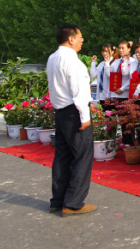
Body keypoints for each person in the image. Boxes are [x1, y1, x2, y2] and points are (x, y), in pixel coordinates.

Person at [46, 24, 97, 216]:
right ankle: (74, 202)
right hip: (74, 113)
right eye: (80, 37)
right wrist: (84, 117)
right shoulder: (73, 62)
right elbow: (79, 92)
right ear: (71, 39)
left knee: (62, 156)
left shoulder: (52, 58)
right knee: (82, 157)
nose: (82, 40)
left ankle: (57, 200)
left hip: (60, 112)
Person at [90, 43, 117, 108]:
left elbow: (110, 77)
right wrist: (93, 63)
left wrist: (107, 63)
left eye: (107, 51)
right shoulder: (101, 64)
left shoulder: (115, 63)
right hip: (101, 95)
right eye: (103, 51)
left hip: (110, 95)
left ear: (112, 52)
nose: (104, 53)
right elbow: (93, 75)